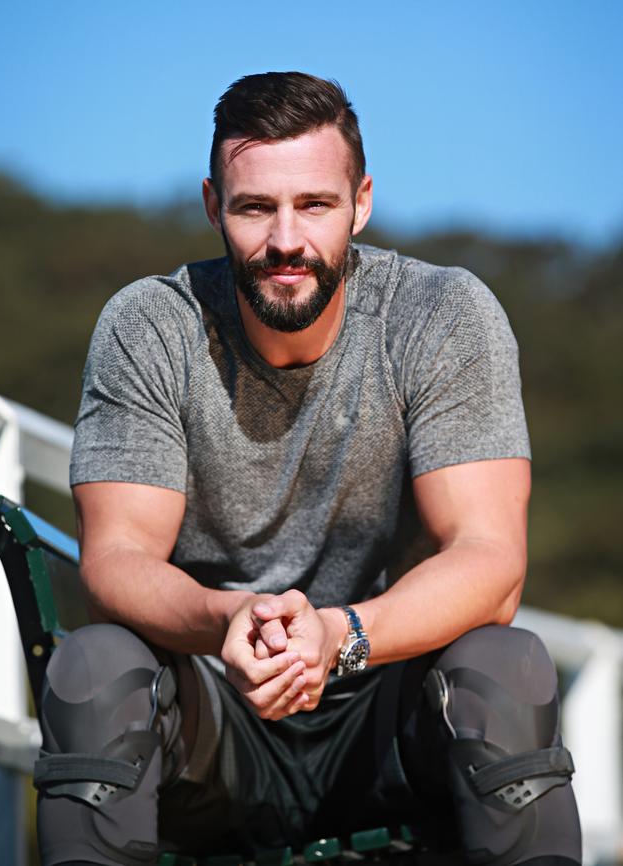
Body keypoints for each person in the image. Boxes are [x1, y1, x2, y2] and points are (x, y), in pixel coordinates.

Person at [35, 72, 581, 866]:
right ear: (213, 205)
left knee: (506, 668)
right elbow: (117, 560)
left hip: (386, 717)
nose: (286, 240)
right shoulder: (149, 326)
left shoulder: (440, 314)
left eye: (314, 205)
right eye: (256, 206)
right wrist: (227, 622)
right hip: (214, 715)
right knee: (94, 668)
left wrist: (340, 636)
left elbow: (490, 561)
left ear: (360, 202)